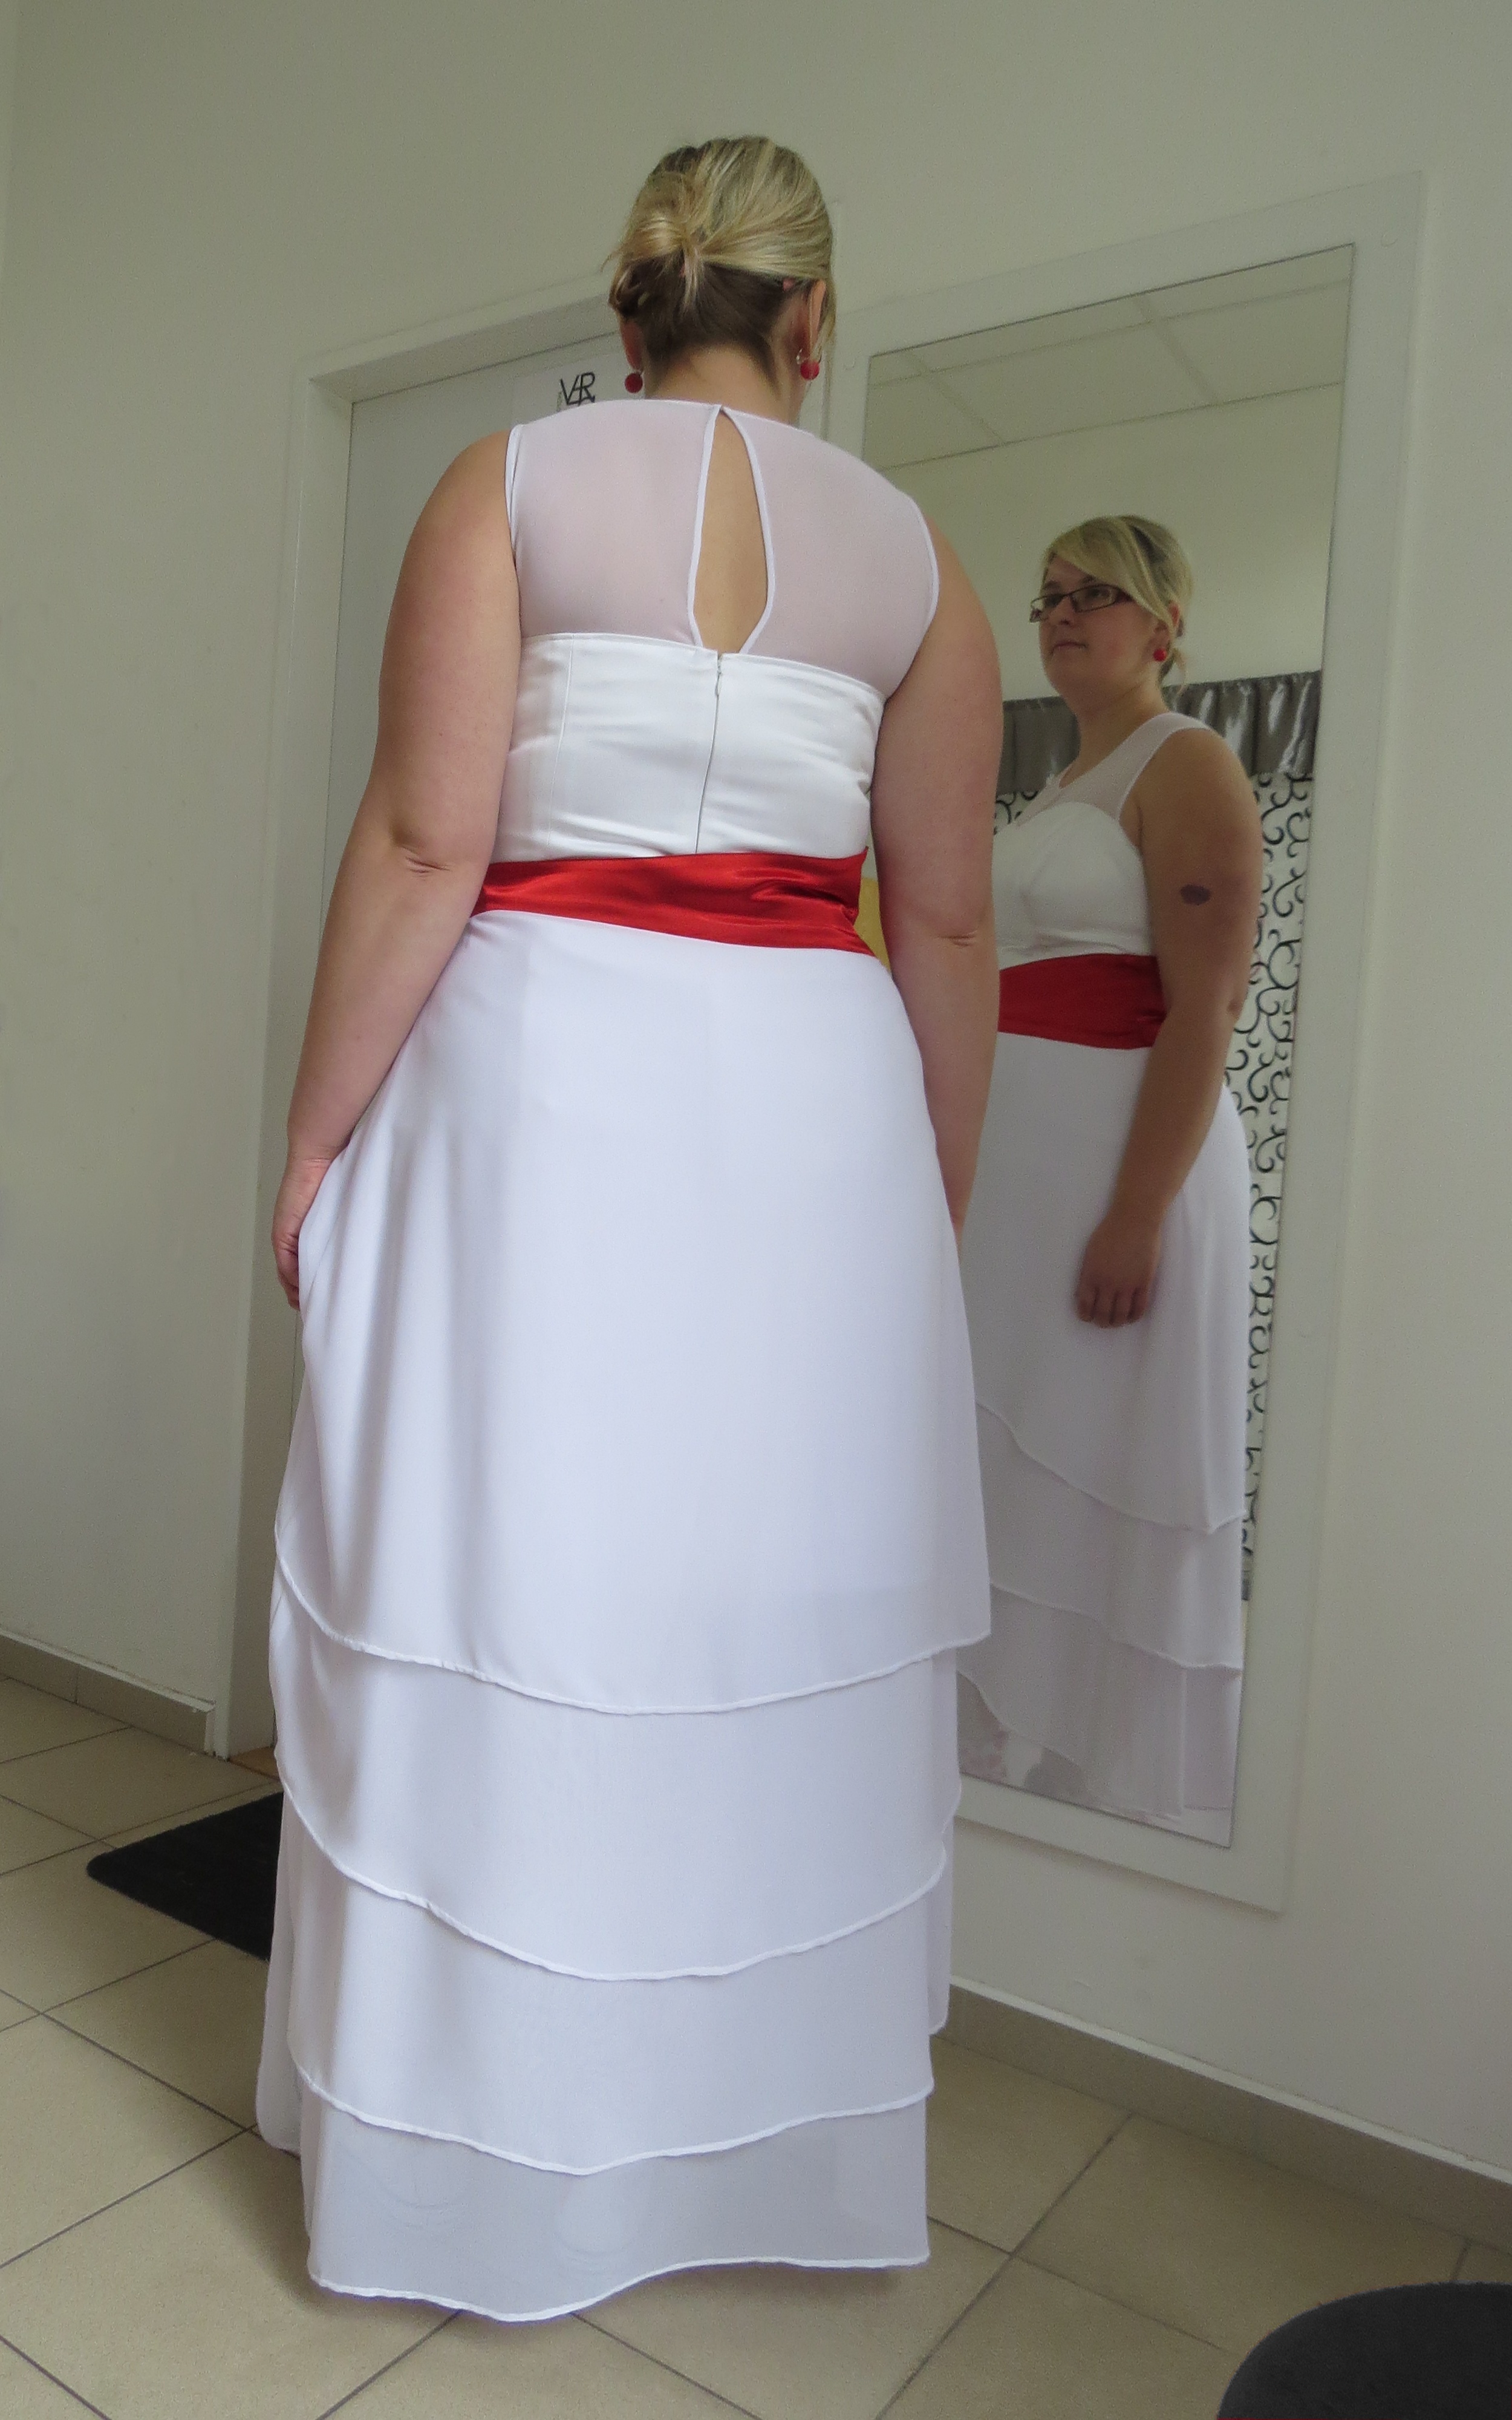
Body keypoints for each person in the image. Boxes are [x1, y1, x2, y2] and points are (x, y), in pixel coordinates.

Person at [254, 136, 1002, 2323]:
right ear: (813, 319)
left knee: (522, 1571)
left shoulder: (506, 485)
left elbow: (426, 842)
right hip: (813, 1107)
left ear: (630, 309)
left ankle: (466, 2152)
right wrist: (929, 1197)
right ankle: (730, 2148)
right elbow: (946, 921)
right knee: (749, 1604)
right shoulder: (921, 564)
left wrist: (311, 1142)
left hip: (548, 1077)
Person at [958, 518, 1262, 1830]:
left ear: (1164, 625)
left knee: (1107, 1452)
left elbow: (1207, 1006)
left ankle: (1102, 1772)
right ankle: (996, 1733)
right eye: (1049, 596)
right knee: (1014, 1444)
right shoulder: (1056, 788)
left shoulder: (1186, 761)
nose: (1064, 614)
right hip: (1024, 1185)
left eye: (1097, 594)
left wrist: (1136, 1214)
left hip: (1123, 1174)